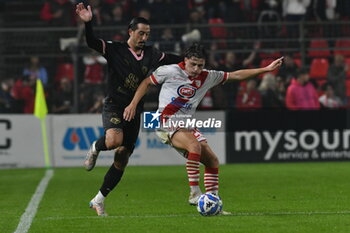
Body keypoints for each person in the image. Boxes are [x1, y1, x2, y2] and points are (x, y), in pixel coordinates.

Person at [123, 43, 283, 213]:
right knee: (194, 146)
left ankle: (213, 204)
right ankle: (194, 193)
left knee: (212, 161)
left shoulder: (208, 76)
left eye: (201, 65)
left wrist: (265, 69)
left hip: (187, 123)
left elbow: (236, 75)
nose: (197, 69)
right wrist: (133, 104)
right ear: (185, 60)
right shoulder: (169, 71)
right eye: (193, 64)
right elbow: (146, 82)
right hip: (164, 120)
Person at [76, 3, 181, 216]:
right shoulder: (115, 49)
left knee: (122, 156)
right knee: (114, 141)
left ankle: (98, 200)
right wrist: (88, 23)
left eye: (147, 34)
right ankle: (95, 148)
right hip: (115, 105)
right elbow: (92, 42)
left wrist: (190, 60)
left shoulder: (152, 54)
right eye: (140, 33)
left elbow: (173, 58)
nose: (144, 37)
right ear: (130, 32)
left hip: (135, 111)